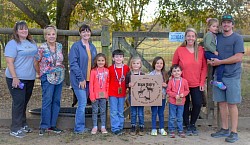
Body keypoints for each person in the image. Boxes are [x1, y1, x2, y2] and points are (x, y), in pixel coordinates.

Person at [210, 14, 244, 143]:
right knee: (222, 103)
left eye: (228, 22)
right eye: (224, 22)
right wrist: (212, 60)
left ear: (232, 25)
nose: (226, 24)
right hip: (219, 75)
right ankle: (224, 129)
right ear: (221, 25)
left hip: (232, 76)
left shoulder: (237, 38)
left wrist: (220, 62)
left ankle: (234, 132)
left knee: (232, 104)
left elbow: (238, 57)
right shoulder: (217, 37)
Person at [5, 21, 38, 138]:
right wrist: (15, 77)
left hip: (30, 78)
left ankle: (23, 124)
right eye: (21, 29)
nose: (24, 31)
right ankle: (15, 128)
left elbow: (35, 60)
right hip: (16, 78)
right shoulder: (12, 44)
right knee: (18, 102)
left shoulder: (32, 42)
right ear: (16, 31)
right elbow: (9, 62)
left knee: (24, 102)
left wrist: (39, 73)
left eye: (25, 29)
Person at [172, 28, 207, 136]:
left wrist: (202, 82)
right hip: (183, 84)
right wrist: (176, 81)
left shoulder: (200, 50)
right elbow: (174, 65)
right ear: (185, 37)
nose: (190, 38)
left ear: (195, 37)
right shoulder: (180, 50)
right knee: (184, 104)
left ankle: (193, 123)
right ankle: (186, 125)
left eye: (193, 36)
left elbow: (204, 67)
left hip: (196, 83)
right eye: (188, 36)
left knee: (197, 103)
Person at [35, 25, 64, 136]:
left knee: (56, 101)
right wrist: (40, 74)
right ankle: (44, 126)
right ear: (45, 36)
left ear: (56, 35)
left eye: (53, 34)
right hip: (47, 77)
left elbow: (60, 60)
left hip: (59, 77)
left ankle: (52, 125)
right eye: (49, 34)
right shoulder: (42, 48)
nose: (51, 36)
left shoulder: (60, 46)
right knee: (47, 100)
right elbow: (36, 62)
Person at [69, 24, 97, 134]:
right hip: (79, 80)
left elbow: (95, 63)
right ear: (80, 33)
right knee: (82, 102)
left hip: (90, 80)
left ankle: (82, 126)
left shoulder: (92, 47)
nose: (86, 33)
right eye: (83, 31)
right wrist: (81, 78)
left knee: (84, 103)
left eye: (88, 31)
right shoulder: (76, 46)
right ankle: (79, 128)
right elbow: (73, 64)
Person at [108, 49, 130, 135]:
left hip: (122, 93)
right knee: (114, 111)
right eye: (116, 57)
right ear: (113, 58)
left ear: (123, 58)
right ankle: (115, 128)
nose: (118, 58)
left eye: (120, 57)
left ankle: (120, 127)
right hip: (112, 93)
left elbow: (129, 79)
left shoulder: (126, 68)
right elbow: (107, 81)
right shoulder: (110, 69)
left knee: (120, 111)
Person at [167, 65, 189, 138]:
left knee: (179, 117)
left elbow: (187, 90)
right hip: (172, 102)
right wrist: (174, 95)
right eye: (174, 71)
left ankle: (180, 130)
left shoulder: (184, 81)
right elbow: (168, 91)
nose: (176, 73)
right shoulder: (170, 81)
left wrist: (183, 94)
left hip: (181, 102)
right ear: (172, 73)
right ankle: (171, 130)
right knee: (172, 116)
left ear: (181, 72)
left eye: (178, 71)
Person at [89, 53, 109, 134]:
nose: (101, 62)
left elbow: (108, 83)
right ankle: (95, 126)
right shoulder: (93, 71)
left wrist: (107, 94)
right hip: (95, 95)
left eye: (102, 60)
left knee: (103, 111)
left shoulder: (107, 71)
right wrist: (92, 95)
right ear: (96, 61)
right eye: (99, 60)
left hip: (104, 95)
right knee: (95, 111)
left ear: (105, 61)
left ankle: (103, 126)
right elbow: (91, 84)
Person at [203, 18, 226, 90]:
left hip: (210, 52)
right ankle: (219, 81)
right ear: (209, 27)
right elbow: (207, 44)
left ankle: (212, 78)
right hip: (209, 52)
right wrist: (214, 51)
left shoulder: (213, 34)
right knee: (221, 62)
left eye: (216, 26)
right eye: (213, 26)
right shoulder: (209, 34)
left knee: (216, 64)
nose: (215, 28)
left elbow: (221, 32)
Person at [125, 56, 145, 136]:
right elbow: (125, 84)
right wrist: (128, 85)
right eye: (134, 63)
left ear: (140, 65)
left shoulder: (143, 74)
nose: (136, 65)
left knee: (140, 113)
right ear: (131, 64)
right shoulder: (129, 74)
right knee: (133, 112)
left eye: (137, 63)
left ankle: (141, 127)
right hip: (132, 96)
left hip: (141, 96)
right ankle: (133, 127)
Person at [149, 56, 168, 136]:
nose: (159, 65)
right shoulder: (150, 74)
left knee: (161, 113)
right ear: (154, 64)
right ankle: (153, 128)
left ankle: (161, 128)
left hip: (162, 97)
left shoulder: (165, 74)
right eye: (157, 63)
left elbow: (169, 85)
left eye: (161, 63)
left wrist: (165, 85)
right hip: (153, 97)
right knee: (154, 112)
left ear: (163, 65)